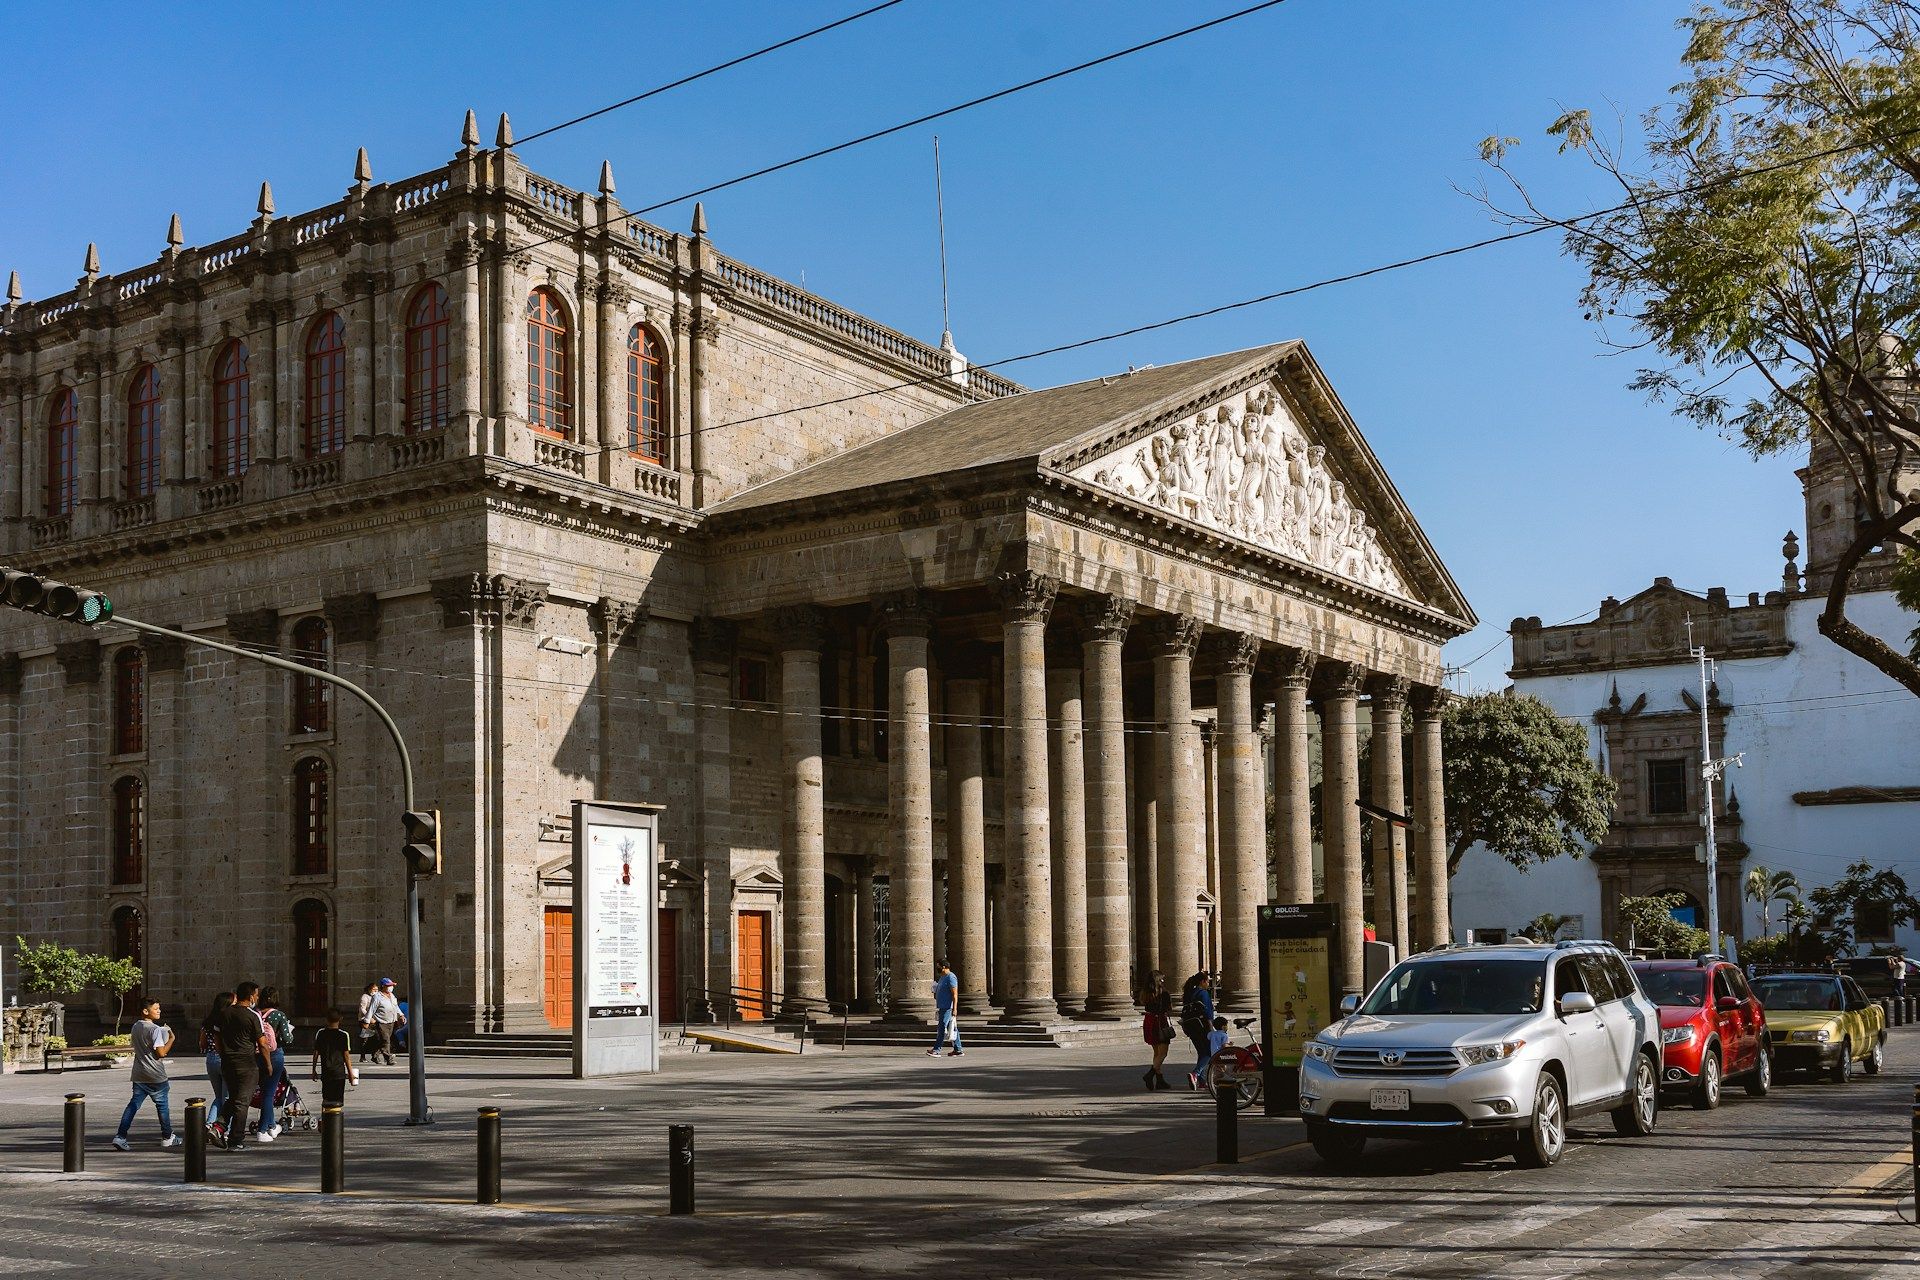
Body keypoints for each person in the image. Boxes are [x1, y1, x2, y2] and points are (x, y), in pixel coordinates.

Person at [113, 998, 180, 1151]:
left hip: (139, 1073)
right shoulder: (155, 1029)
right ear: (145, 1011)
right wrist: (171, 1039)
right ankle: (167, 1136)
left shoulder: (136, 1026)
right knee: (162, 1106)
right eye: (156, 1009)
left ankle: (120, 1136)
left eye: (159, 1008)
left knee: (133, 1105)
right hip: (155, 1074)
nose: (159, 1011)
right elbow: (161, 1053)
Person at [214, 982, 272, 1150]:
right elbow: (262, 1043)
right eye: (257, 994)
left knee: (234, 1098)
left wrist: (223, 1053)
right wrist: (268, 1064)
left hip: (227, 1063)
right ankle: (236, 1140)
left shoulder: (223, 1014)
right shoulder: (253, 1016)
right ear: (251, 996)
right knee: (242, 1102)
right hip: (247, 1064)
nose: (257, 998)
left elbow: (216, 1036)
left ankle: (218, 1127)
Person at [255, 987, 294, 1142]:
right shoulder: (278, 1015)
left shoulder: (255, 1014)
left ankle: (271, 1125)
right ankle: (262, 1129)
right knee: (269, 1093)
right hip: (274, 1055)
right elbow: (287, 1039)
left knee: (265, 1091)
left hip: (257, 1055)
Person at [199, 992, 232, 1134]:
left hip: (211, 1058)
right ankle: (225, 1128)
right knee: (227, 1097)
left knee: (219, 1096)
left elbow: (202, 1043)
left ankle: (209, 1124)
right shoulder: (227, 1021)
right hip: (224, 1058)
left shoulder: (208, 1022)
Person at [310, 1008, 357, 1110]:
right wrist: (350, 1073)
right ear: (341, 1019)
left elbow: (316, 1053)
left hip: (325, 1071)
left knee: (326, 1098)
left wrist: (313, 1070)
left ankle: (327, 1118)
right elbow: (346, 1056)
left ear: (326, 1019)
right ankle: (336, 1119)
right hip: (339, 1073)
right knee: (338, 1100)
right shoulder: (344, 1035)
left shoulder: (321, 1033)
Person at [1179, 973, 1216, 1091]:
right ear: (1202, 982)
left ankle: (1201, 1081)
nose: (1208, 983)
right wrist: (1211, 1027)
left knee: (1202, 1052)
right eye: (1207, 981)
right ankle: (1195, 1074)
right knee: (1209, 1053)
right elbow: (1207, 1011)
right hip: (1202, 1026)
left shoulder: (1189, 993)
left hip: (1191, 1026)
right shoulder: (1203, 993)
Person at [1140, 971, 1175, 1091]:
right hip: (1160, 1022)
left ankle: (1160, 1080)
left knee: (1156, 1053)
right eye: (1162, 979)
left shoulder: (1145, 993)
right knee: (1163, 1053)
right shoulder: (1164, 993)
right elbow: (1169, 1008)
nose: (1163, 981)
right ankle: (1149, 1075)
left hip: (1149, 1021)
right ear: (1158, 980)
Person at [364, 978, 405, 1065]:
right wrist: (367, 1021)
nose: (391, 987)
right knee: (386, 1040)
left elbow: (395, 1006)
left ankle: (375, 1055)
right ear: (383, 986)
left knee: (383, 1040)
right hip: (381, 1022)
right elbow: (371, 1009)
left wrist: (401, 1015)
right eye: (389, 985)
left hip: (391, 1021)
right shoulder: (377, 997)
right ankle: (388, 1058)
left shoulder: (392, 995)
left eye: (391, 985)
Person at [927, 961, 964, 1058]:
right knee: (952, 1027)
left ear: (944, 967)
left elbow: (954, 994)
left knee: (942, 1027)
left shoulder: (951, 977)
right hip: (942, 1006)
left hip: (948, 1007)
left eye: (938, 966)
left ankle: (936, 1050)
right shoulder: (942, 977)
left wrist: (955, 1008)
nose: (937, 968)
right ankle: (958, 1049)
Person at [1203, 1015, 1231, 1091]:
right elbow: (1224, 1046)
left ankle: (1213, 1082)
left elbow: (1208, 1037)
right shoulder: (1224, 1035)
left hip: (1213, 1055)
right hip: (1221, 1055)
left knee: (1216, 1069)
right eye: (1226, 1025)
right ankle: (1213, 1082)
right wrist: (1230, 1046)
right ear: (1223, 1026)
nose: (1227, 1027)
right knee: (1222, 1071)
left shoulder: (1212, 1034)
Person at [356, 982, 378, 1064]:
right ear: (369, 989)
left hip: (374, 1020)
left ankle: (374, 1056)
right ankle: (362, 1056)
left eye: (377, 990)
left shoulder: (376, 997)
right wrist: (369, 1017)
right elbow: (362, 1009)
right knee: (365, 1039)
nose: (375, 991)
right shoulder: (365, 997)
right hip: (365, 1020)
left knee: (375, 1038)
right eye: (374, 989)